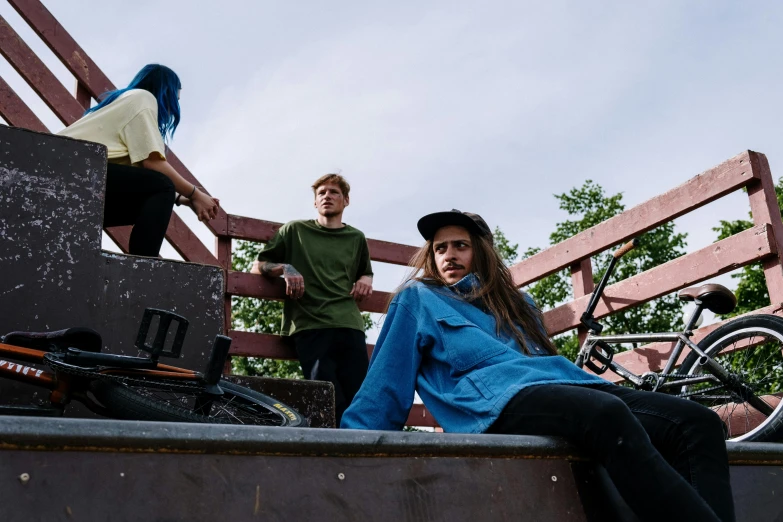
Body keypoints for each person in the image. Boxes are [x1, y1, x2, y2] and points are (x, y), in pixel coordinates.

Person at [341, 209, 735, 522]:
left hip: (562, 386)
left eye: (460, 245)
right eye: (440, 248)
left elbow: (544, 363)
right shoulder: (418, 299)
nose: (449, 255)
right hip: (495, 402)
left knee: (696, 422)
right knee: (606, 413)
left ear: (481, 250)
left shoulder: (519, 304)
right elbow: (386, 382)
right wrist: (350, 447)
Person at [58, 64, 219, 257]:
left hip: (66, 175)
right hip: (72, 172)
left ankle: (142, 260)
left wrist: (180, 198)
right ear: (164, 91)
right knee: (162, 186)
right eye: (174, 98)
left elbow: (131, 172)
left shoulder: (122, 102)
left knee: (155, 195)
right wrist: (195, 194)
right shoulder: (143, 98)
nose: (173, 106)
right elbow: (153, 164)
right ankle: (143, 263)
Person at [251, 174, 373, 425]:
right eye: (322, 193)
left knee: (360, 398)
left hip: (349, 324)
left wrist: (366, 278)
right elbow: (258, 266)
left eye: (334, 192)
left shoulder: (356, 237)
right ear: (315, 202)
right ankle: (331, 456)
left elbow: (365, 270)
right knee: (326, 399)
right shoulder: (294, 230)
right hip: (311, 324)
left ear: (346, 200)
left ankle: (361, 457)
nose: (327, 196)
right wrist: (285, 268)